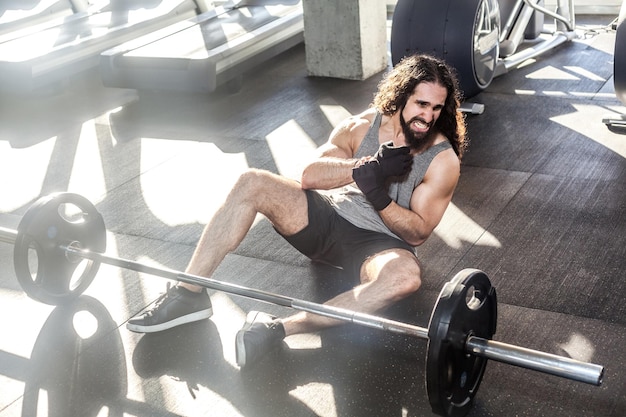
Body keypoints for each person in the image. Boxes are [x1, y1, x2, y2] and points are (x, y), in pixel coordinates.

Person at [126, 53, 468, 369]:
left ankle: (278, 328)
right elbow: (308, 175)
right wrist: (367, 166)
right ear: (401, 95)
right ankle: (188, 293)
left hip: (380, 244)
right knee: (252, 181)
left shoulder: (441, 159)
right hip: (328, 219)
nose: (428, 116)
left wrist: (379, 196)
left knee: (405, 279)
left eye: (437, 108)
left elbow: (418, 233)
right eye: (421, 104)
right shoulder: (363, 126)